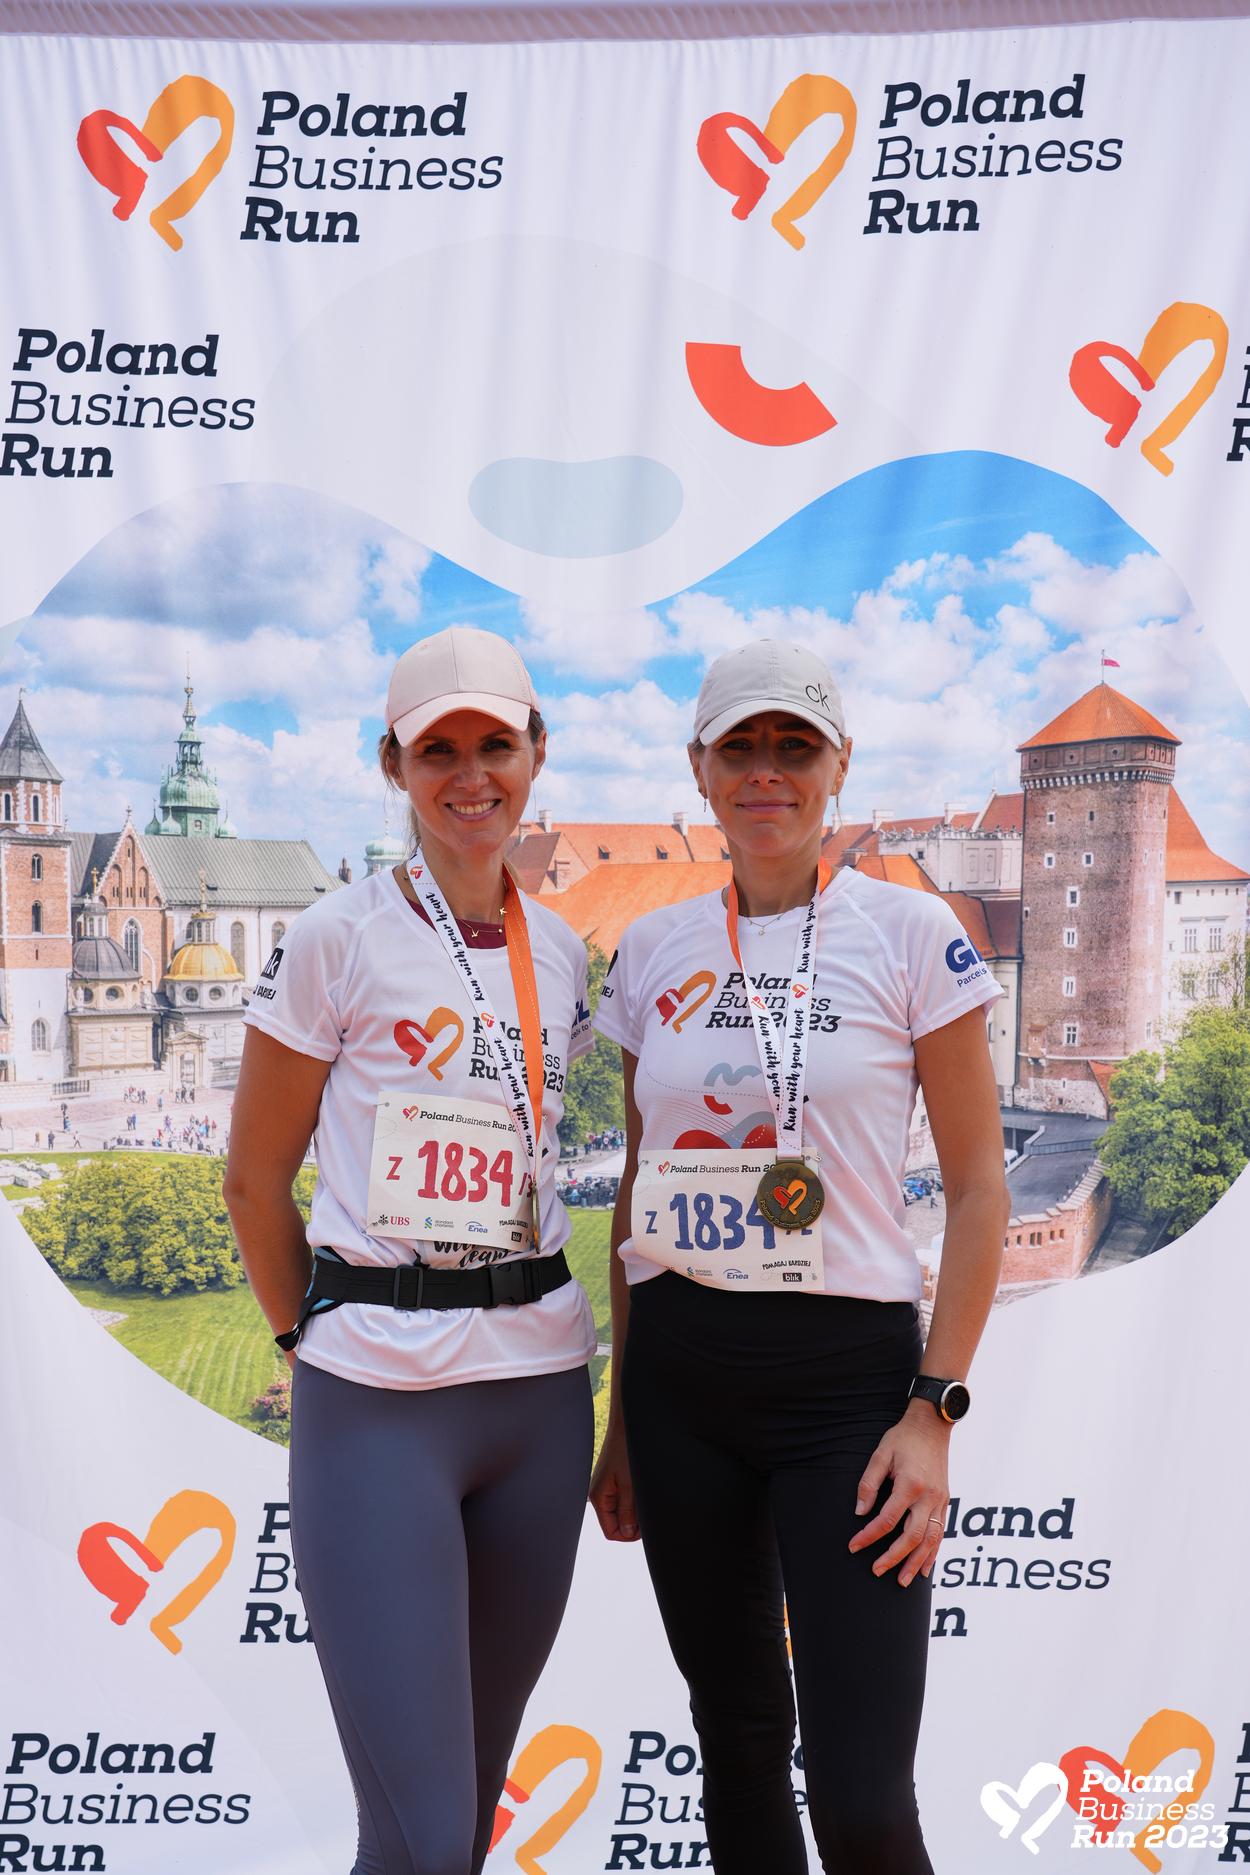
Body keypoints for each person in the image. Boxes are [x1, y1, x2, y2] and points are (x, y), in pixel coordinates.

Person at [590, 640, 1009, 1875]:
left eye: (793, 746)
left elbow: (978, 1189)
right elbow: (634, 1190)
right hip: (679, 1380)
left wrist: (933, 1409)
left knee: (861, 1797)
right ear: (699, 771)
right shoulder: (653, 949)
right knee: (733, 1746)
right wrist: (620, 1421)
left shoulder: (910, 932)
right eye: (740, 747)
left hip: (846, 1389)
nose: (764, 771)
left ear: (837, 767)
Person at [225, 626, 596, 1875]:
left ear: (535, 754)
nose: (470, 775)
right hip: (379, 1398)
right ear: (393, 765)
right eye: (438, 751)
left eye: (496, 745)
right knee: (427, 1840)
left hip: (539, 1393)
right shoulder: (337, 935)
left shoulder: (561, 952)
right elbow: (252, 1179)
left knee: (456, 1825)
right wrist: (308, 1344)